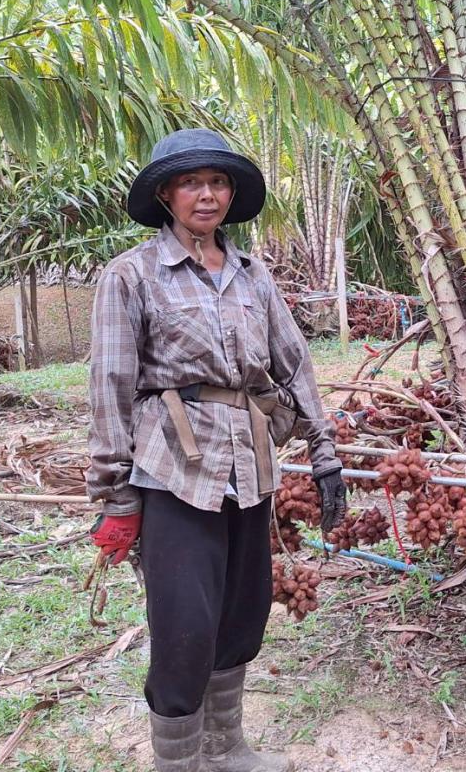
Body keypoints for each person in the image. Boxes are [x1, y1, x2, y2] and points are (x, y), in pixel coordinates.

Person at [86, 128, 348, 772]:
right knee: (185, 626)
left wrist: (325, 451)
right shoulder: (131, 276)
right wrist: (115, 496)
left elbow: (294, 364)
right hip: (172, 466)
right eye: (192, 183)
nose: (208, 195)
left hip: (249, 461)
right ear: (166, 195)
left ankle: (225, 749)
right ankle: (178, 763)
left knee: (241, 615)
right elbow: (111, 386)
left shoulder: (252, 276)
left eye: (219, 183)